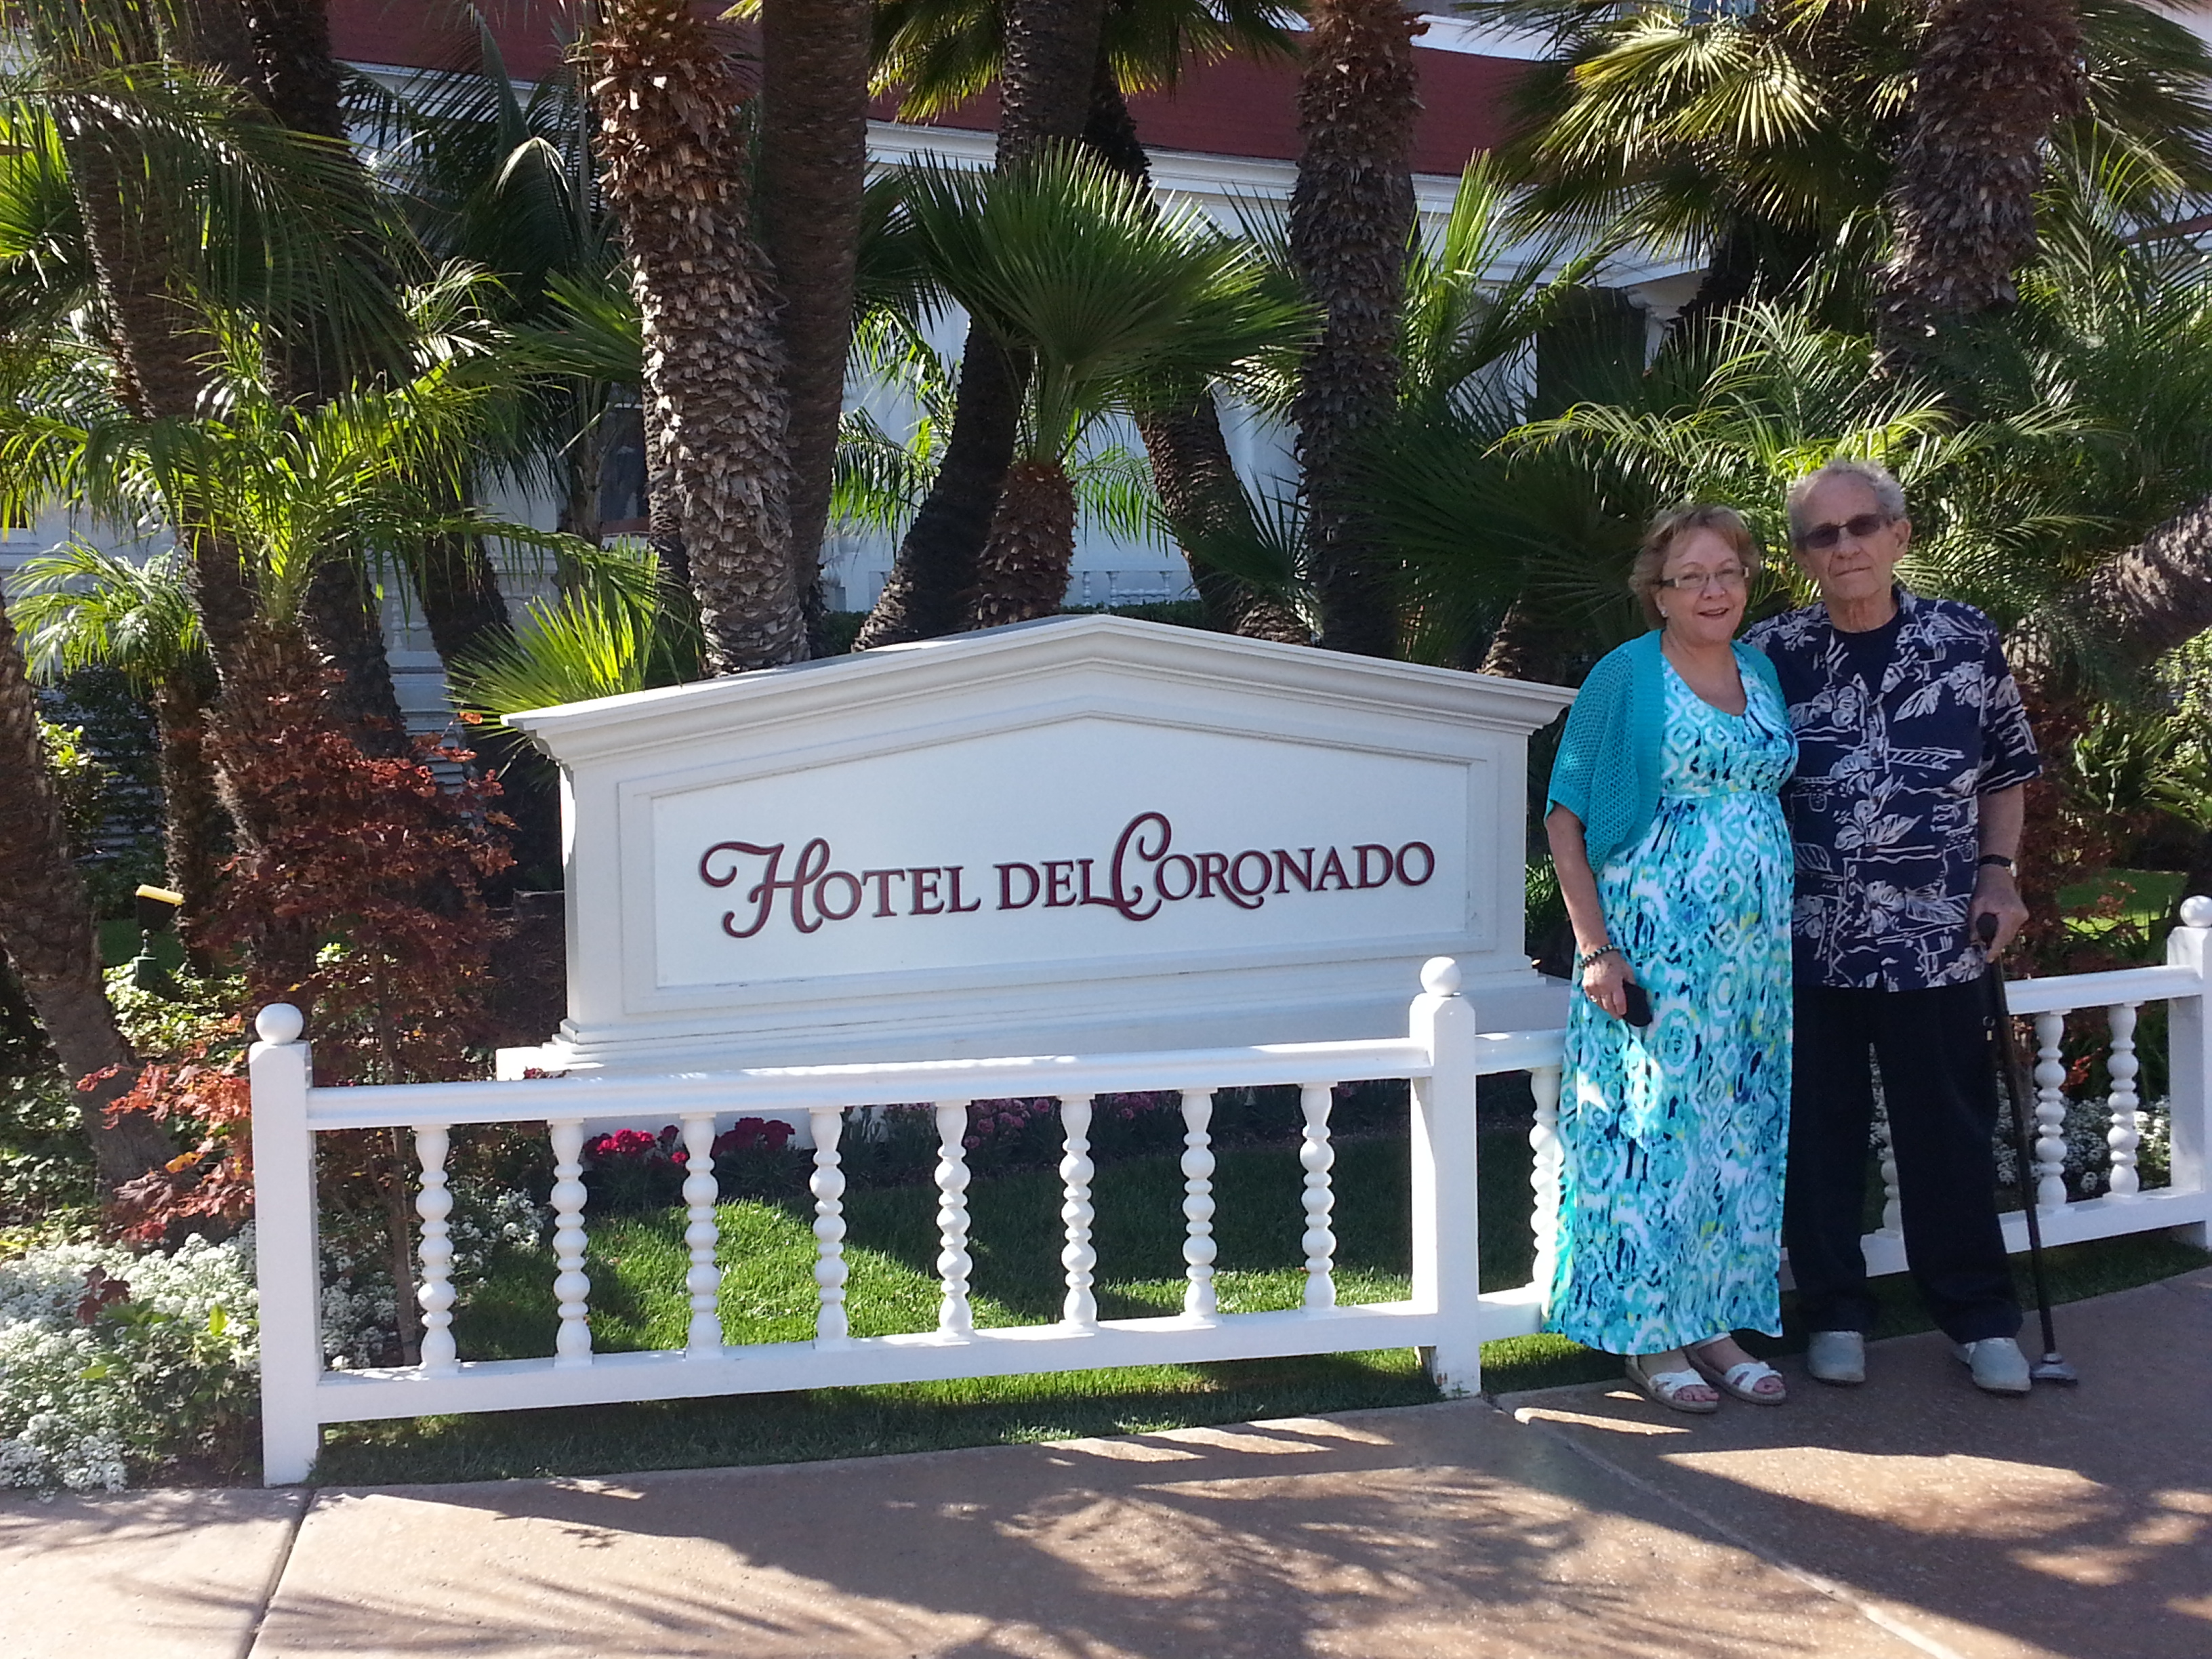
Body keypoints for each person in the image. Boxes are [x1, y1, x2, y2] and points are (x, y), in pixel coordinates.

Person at [1742, 457, 2041, 1397]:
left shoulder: (1964, 639)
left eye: (1862, 526)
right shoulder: (1768, 654)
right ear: (1803, 556)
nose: (1845, 548)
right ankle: (1835, 1312)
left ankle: (1980, 1318)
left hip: (1937, 939)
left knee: (1948, 1132)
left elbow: (2005, 771)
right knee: (1818, 1136)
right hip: (1809, 940)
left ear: (1899, 535)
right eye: (1822, 535)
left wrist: (1999, 875)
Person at [1542, 505, 1799, 1412]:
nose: (1713, 590)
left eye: (1728, 572)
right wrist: (1596, 949)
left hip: (1752, 963)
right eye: (1691, 576)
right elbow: (1564, 818)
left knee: (1735, 1136)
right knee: (1654, 1134)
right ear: (1658, 592)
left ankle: (1714, 1323)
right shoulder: (1626, 676)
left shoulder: (1760, 671)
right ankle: (1649, 1337)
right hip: (1656, 952)